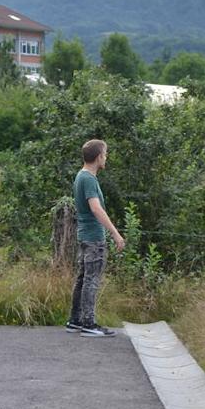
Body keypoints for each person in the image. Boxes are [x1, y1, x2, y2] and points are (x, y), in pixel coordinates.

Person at [66, 139, 125, 337]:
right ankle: (89, 323)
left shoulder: (81, 176)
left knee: (82, 278)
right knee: (91, 280)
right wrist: (115, 233)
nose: (106, 157)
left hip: (84, 235)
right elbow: (96, 208)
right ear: (99, 156)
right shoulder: (89, 179)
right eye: (105, 154)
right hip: (93, 237)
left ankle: (75, 320)